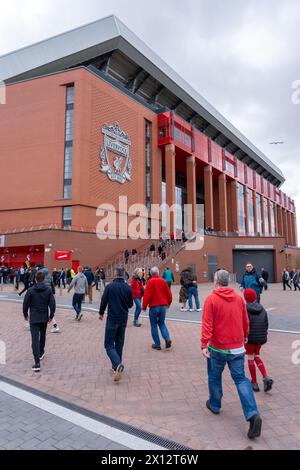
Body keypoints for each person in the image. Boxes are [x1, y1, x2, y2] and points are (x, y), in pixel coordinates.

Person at [201, 270, 262, 440]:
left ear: (215, 281)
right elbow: (245, 320)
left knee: (214, 375)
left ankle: (214, 404)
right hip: (237, 347)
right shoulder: (238, 298)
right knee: (241, 379)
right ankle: (252, 413)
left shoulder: (211, 299)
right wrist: (245, 334)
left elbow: (207, 324)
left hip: (218, 347)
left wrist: (203, 343)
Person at [99, 268, 133, 382]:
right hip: (123, 318)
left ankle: (117, 363)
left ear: (115, 275)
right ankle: (117, 366)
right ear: (123, 276)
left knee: (108, 343)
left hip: (112, 318)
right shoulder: (128, 288)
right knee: (119, 342)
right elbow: (130, 304)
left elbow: (104, 301)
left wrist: (101, 313)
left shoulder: (109, 287)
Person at [23, 271, 56, 372]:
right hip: (43, 317)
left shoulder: (31, 290)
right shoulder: (48, 290)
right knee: (43, 335)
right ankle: (41, 352)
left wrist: (25, 314)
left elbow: (25, 304)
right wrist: (51, 315)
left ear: (36, 279)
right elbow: (52, 304)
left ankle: (37, 362)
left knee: (34, 339)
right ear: (43, 279)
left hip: (34, 317)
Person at [243, 289, 273, 393]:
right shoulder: (262, 309)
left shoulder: (244, 309)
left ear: (245, 298)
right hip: (260, 338)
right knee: (256, 356)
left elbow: (244, 324)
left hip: (250, 338)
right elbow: (266, 324)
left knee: (250, 357)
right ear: (255, 297)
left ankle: (254, 382)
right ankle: (265, 377)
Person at [142, 267, 172, 350]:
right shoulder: (163, 281)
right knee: (162, 323)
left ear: (151, 274)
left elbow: (147, 295)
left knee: (154, 325)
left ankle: (157, 344)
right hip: (163, 305)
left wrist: (144, 306)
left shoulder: (150, 282)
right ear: (158, 273)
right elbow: (169, 294)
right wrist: (168, 303)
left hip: (154, 306)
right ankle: (167, 338)